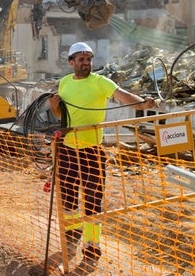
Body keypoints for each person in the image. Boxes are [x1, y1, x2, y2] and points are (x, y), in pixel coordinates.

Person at [49, 41, 155, 267]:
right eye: (81, 59)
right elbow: (61, 115)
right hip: (68, 150)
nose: (86, 63)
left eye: (89, 59)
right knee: (67, 199)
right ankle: (71, 235)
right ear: (71, 62)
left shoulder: (100, 82)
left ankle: (91, 244)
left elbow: (123, 95)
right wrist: (53, 106)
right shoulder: (64, 83)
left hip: (92, 152)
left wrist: (141, 104)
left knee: (93, 199)